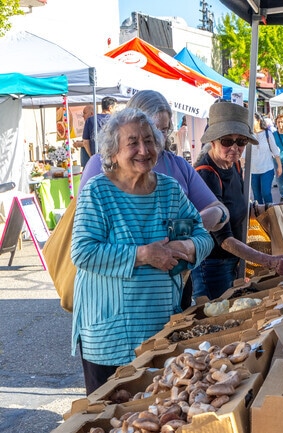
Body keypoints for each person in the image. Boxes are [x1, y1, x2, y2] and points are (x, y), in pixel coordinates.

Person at [70, 108, 213, 395]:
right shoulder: (98, 192)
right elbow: (83, 252)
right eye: (133, 143)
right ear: (112, 151)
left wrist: (187, 247)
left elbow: (203, 237)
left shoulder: (170, 190)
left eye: (149, 141)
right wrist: (143, 254)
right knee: (110, 414)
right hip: (109, 335)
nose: (143, 150)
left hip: (159, 328)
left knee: (156, 413)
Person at [80, 90, 229, 234]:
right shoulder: (99, 164)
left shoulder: (178, 166)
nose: (157, 138)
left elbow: (219, 209)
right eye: (151, 130)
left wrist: (189, 227)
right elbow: (83, 227)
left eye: (163, 130)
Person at [192, 102, 283, 300]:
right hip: (212, 265)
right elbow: (224, 240)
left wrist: (267, 208)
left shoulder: (234, 165)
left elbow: (238, 206)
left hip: (232, 260)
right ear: (213, 141)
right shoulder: (206, 175)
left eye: (240, 141)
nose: (234, 147)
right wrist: (270, 261)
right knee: (217, 317)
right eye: (226, 141)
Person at [247, 112, 282, 205]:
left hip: (267, 168)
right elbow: (243, 155)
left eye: (252, 120)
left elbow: (275, 150)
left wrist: (279, 166)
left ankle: (270, 215)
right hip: (253, 171)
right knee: (257, 196)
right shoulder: (248, 136)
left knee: (266, 193)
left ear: (258, 120)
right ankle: (260, 218)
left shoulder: (267, 133)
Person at [80, 97, 116, 168]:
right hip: (113, 158)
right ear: (110, 107)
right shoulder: (116, 120)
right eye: (115, 107)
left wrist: (92, 157)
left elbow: (85, 142)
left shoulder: (90, 120)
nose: (115, 110)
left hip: (97, 157)